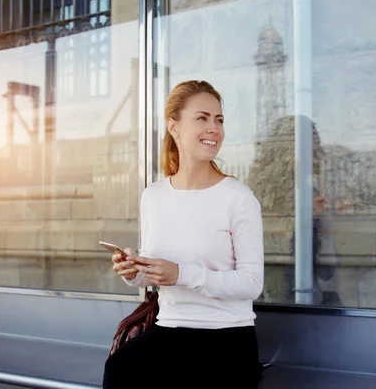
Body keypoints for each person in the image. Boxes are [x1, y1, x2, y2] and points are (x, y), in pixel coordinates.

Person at [102, 80, 265, 389]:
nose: (214, 128)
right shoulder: (154, 195)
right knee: (120, 368)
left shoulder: (239, 197)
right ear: (173, 126)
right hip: (169, 329)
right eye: (202, 118)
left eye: (219, 120)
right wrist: (133, 272)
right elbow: (154, 275)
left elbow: (251, 283)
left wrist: (181, 274)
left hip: (227, 338)